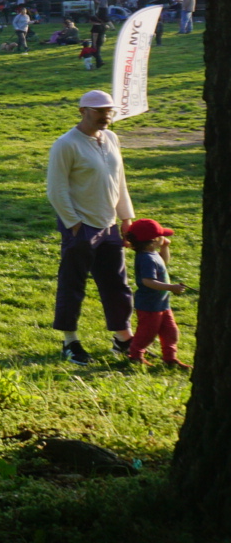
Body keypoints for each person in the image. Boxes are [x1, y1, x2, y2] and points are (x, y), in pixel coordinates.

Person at [46, 90, 137, 364]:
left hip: (109, 224)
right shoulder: (66, 144)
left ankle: (123, 338)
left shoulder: (111, 138)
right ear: (82, 111)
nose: (105, 116)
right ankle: (70, 342)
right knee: (73, 284)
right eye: (99, 111)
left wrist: (125, 218)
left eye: (109, 111)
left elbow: (118, 180)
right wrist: (74, 224)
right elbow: (56, 189)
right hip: (81, 226)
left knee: (117, 284)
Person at [120, 218, 189, 369]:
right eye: (161, 236)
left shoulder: (151, 253)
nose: (164, 238)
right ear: (153, 240)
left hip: (162, 304)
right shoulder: (146, 259)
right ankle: (135, 355)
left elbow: (163, 264)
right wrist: (170, 287)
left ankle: (170, 358)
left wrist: (164, 249)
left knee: (171, 332)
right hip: (149, 306)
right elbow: (148, 281)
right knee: (147, 333)